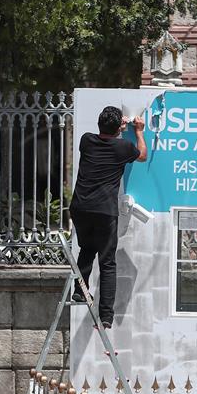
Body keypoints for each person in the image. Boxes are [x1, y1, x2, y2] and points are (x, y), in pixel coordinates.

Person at [69, 105, 147, 328]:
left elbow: (107, 136)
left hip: (80, 208)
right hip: (104, 211)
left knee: (87, 249)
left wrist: (116, 127)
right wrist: (138, 131)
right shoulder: (122, 147)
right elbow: (142, 155)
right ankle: (106, 317)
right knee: (107, 263)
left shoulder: (86, 140)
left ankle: (79, 292)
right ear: (118, 130)